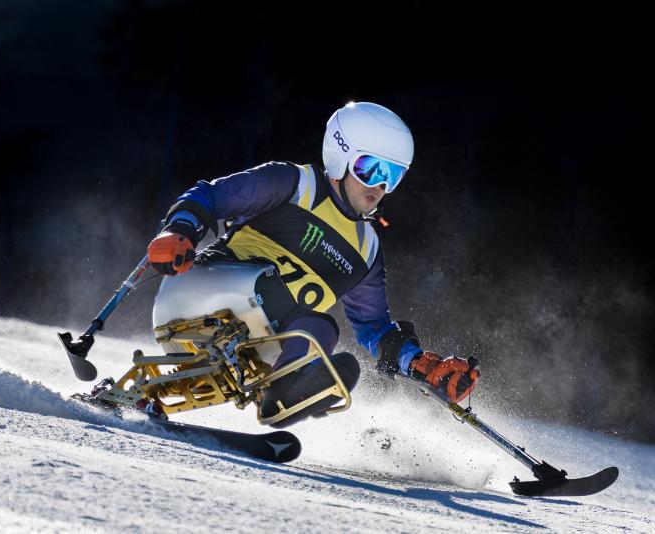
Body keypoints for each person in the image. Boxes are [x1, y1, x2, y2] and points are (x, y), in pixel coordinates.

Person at [146, 101, 479, 426]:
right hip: (196, 299)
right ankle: (292, 382)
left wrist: (419, 364)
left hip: (255, 347)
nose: (379, 186)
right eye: (370, 169)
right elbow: (210, 196)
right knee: (276, 289)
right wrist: (179, 231)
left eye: (392, 176)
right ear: (340, 158)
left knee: (323, 331)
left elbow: (374, 327)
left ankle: (285, 394)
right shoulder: (295, 185)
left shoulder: (366, 249)